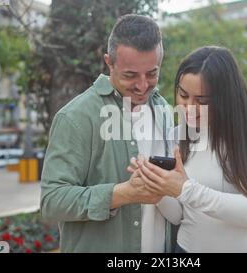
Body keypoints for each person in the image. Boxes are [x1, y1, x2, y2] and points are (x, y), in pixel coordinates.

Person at [40, 14, 176, 253]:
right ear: (109, 63)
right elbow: (52, 201)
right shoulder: (76, 117)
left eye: (152, 73)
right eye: (130, 75)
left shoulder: (164, 108)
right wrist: (122, 194)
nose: (143, 85)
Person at [130, 46, 247, 253]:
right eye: (183, 95)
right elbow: (180, 215)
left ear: (225, 99)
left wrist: (186, 189)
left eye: (202, 101)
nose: (189, 107)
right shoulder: (177, 135)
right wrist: (158, 189)